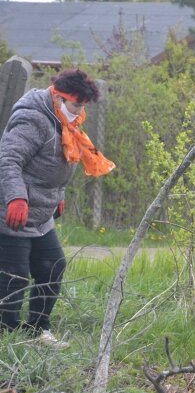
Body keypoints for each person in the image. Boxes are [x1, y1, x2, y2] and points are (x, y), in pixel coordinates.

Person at [0, 68, 114, 348]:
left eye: (83, 106)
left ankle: (37, 331)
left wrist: (58, 194)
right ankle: (6, 338)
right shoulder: (33, 119)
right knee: (14, 277)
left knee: (53, 266)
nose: (80, 111)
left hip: (41, 214)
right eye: (76, 104)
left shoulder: (66, 124)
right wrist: (16, 198)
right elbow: (8, 160)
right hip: (12, 212)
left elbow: (59, 166)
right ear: (59, 97)